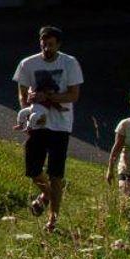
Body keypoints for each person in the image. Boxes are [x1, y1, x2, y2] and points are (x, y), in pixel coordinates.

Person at [13, 24, 83, 231]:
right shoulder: (28, 64)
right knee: (33, 169)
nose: (46, 48)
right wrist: (27, 112)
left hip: (60, 124)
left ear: (58, 45)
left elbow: (73, 95)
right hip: (38, 122)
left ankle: (53, 219)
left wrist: (49, 97)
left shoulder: (69, 63)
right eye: (43, 44)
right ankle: (49, 194)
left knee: (55, 173)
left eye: (51, 45)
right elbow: (22, 94)